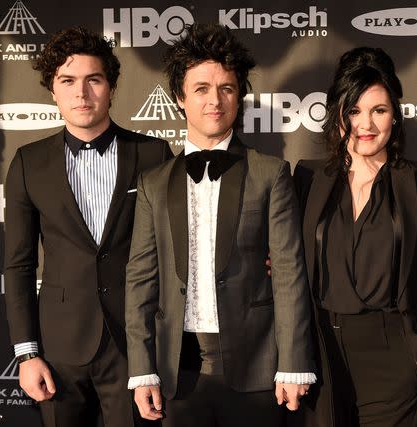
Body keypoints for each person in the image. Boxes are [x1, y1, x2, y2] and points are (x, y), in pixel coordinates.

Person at [124, 23, 316, 427]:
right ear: (180, 97)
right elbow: (141, 279)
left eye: (226, 88)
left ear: (239, 96)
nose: (215, 100)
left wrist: (294, 363)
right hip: (178, 370)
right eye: (201, 89)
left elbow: (288, 272)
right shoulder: (153, 184)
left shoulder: (271, 173)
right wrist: (142, 370)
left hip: (257, 369)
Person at [3, 27, 173, 427]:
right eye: (68, 81)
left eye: (93, 80)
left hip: (135, 345)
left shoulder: (152, 153)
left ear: (111, 87)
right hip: (59, 348)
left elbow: (173, 247)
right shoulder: (29, 162)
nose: (81, 93)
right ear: (53, 91)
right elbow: (18, 266)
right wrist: (28, 355)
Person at [292, 47, 417, 426]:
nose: (366, 124)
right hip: (322, 355)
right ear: (338, 116)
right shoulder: (307, 178)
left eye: (379, 110)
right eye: (354, 111)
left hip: (394, 355)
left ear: (395, 116)